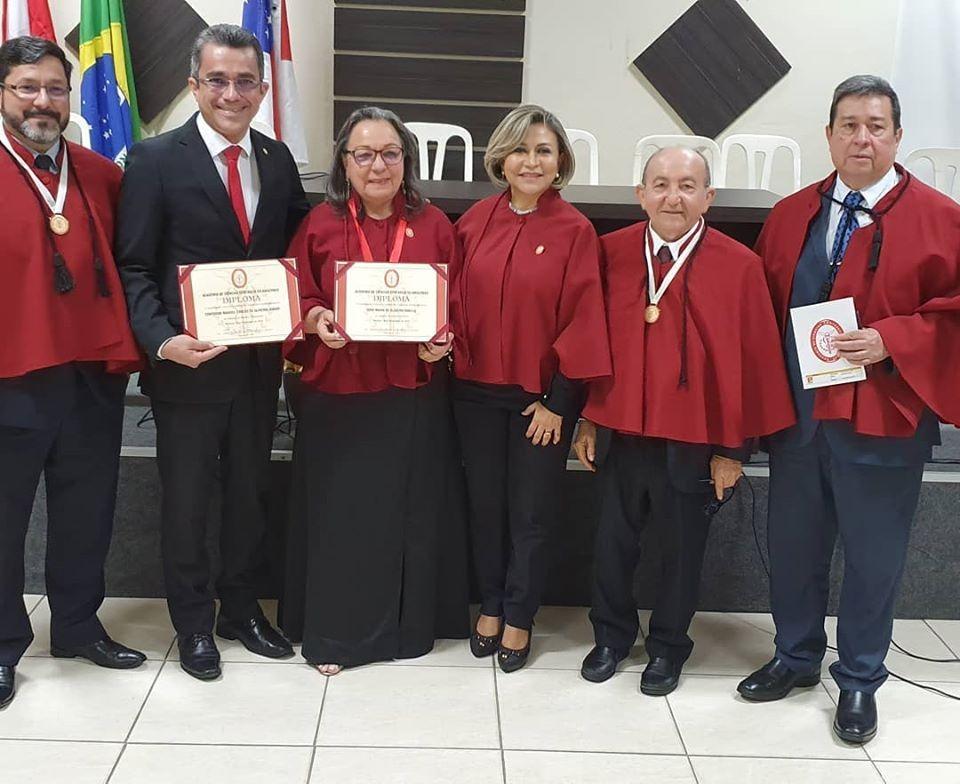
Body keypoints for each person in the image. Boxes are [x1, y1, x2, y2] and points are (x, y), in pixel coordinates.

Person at [738, 75, 960, 744]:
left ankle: (860, 679)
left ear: (897, 137)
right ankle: (797, 656)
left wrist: (892, 337)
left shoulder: (942, 220)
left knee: (874, 556)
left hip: (883, 418)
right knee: (795, 546)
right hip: (801, 417)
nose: (862, 137)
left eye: (876, 125)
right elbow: (761, 313)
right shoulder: (791, 214)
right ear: (829, 134)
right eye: (849, 125)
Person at [116, 24, 309, 681]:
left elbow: (298, 255)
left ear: (261, 88)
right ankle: (194, 623)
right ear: (194, 84)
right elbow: (135, 267)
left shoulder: (277, 160)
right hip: (186, 368)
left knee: (250, 494)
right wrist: (164, 340)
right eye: (218, 80)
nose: (233, 93)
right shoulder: (154, 160)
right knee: (188, 501)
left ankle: (240, 608)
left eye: (245, 81)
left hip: (257, 368)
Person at [574, 147, 794, 694]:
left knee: (681, 549)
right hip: (620, 426)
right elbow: (587, 342)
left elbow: (753, 362)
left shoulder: (739, 266)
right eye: (662, 184)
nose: (674, 196)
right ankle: (611, 637)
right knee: (611, 542)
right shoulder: (610, 253)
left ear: (708, 197)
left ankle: (669, 646)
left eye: (688, 185)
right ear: (641, 193)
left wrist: (733, 450)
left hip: (695, 438)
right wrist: (587, 419)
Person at [280, 106, 462, 675]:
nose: (377, 165)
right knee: (342, 514)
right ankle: (336, 636)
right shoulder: (320, 223)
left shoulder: (434, 223)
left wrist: (444, 341)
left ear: (405, 159)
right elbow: (298, 294)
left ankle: (405, 632)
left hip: (409, 392)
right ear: (344, 162)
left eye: (389, 153)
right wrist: (315, 321)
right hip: (337, 390)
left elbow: (455, 303)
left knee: (402, 512)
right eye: (364, 154)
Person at [0, 36, 146, 709]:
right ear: (4, 94)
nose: (42, 102)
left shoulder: (100, 174)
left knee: (87, 508)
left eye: (55, 89)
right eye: (27, 87)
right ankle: (3, 648)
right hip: (11, 372)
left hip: (91, 370)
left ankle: (79, 627)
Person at [451, 104, 611, 672]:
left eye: (544, 151)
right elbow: (450, 302)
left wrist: (560, 404)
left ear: (560, 160)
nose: (531, 161)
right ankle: (490, 605)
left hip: (538, 404)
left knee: (532, 515)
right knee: (485, 509)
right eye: (521, 149)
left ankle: (519, 616)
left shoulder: (575, 231)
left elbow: (585, 321)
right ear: (502, 157)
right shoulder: (472, 223)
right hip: (471, 394)